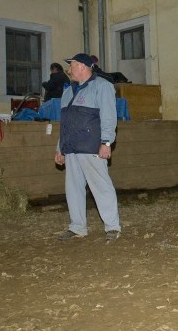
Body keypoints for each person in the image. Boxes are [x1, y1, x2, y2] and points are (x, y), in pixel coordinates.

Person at [55, 53, 121, 242]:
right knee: (73, 188)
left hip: (91, 146)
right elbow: (64, 123)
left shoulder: (102, 87)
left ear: (83, 66)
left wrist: (106, 142)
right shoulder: (68, 91)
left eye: (72, 66)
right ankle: (77, 227)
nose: (69, 70)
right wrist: (60, 147)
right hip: (72, 147)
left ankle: (112, 227)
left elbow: (109, 116)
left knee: (101, 186)